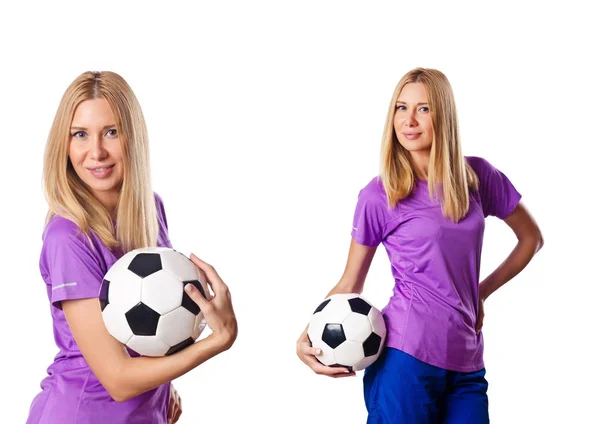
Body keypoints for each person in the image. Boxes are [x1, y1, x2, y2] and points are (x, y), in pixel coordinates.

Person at [296, 67, 544, 423]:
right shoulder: (379, 195)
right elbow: (350, 282)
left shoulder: (478, 177)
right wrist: (307, 336)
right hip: (405, 357)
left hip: (468, 360)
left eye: (423, 109)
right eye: (401, 107)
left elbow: (531, 239)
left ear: (443, 114)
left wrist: (482, 293)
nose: (409, 120)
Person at [27, 71, 238, 424]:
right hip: (80, 414)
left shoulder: (149, 208)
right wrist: (218, 339)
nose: (96, 152)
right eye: (80, 134)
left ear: (133, 137)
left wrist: (165, 388)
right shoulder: (68, 237)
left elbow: (153, 316)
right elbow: (118, 380)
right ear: (63, 145)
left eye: (111, 132)